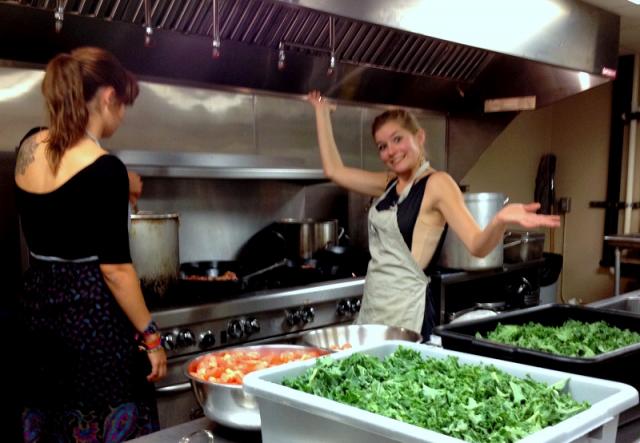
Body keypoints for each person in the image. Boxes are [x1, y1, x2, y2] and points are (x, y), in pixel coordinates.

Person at [306, 90, 561, 338]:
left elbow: (477, 245)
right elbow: (334, 171)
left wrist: (500, 220)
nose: (391, 151)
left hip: (407, 313)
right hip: (375, 305)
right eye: (382, 146)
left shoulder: (438, 184)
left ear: (419, 137)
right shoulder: (389, 184)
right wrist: (321, 112)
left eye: (398, 139)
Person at [14, 47, 166, 442]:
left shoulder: (28, 147)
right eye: (124, 105)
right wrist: (151, 337)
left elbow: (62, 205)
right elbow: (115, 271)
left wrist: (120, 188)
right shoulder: (105, 168)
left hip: (38, 319)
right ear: (108, 96)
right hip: (92, 329)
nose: (122, 115)